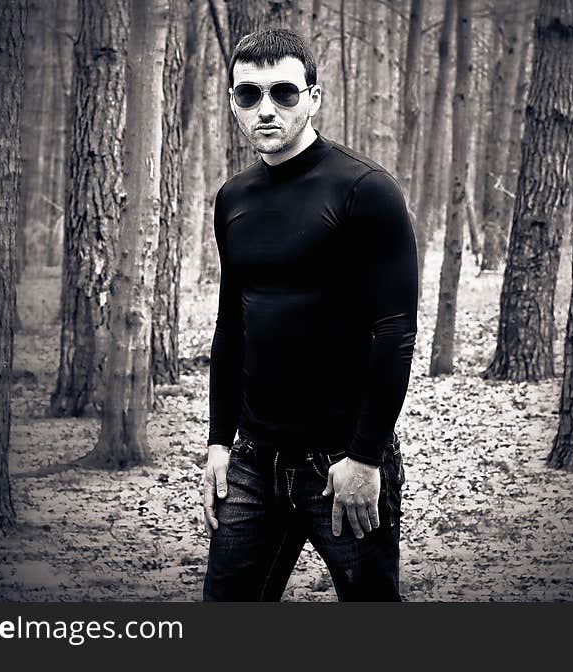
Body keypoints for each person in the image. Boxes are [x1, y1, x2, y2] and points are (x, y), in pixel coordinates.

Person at [202, 28, 418, 601]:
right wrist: (219, 441)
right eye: (248, 95)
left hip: (341, 462)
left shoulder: (365, 190)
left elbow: (394, 332)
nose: (265, 109)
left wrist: (365, 457)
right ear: (232, 102)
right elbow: (232, 324)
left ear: (314, 97)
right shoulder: (233, 198)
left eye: (284, 92)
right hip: (251, 462)